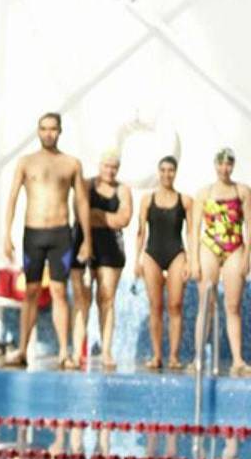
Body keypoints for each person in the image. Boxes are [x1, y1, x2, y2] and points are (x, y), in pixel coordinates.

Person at [2, 112, 93, 368]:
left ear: (60, 131)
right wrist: (6, 234)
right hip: (33, 233)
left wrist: (87, 240)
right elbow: (12, 198)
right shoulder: (26, 162)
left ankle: (64, 352)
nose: (48, 133)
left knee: (59, 292)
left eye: (53, 129)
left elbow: (82, 202)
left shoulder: (71, 163)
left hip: (59, 233)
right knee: (30, 291)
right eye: (43, 128)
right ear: (38, 131)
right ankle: (22, 350)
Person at [69, 150, 132, 371]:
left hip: (110, 249)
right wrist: (106, 218)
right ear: (99, 165)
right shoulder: (86, 185)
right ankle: (77, 352)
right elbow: (79, 214)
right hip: (82, 244)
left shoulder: (123, 190)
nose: (110, 171)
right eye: (107, 166)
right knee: (81, 300)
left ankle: (106, 351)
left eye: (114, 167)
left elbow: (124, 219)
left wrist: (94, 214)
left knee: (106, 300)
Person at [192, 148, 250, 376]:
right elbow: (195, 228)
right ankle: (198, 357)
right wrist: (194, 259)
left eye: (228, 164)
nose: (224, 168)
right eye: (221, 164)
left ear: (232, 166)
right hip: (210, 246)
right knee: (206, 304)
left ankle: (237, 359)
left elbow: (249, 225)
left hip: (234, 247)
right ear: (215, 165)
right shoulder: (204, 193)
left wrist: (247, 256)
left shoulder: (242, 191)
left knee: (233, 306)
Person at [136, 156, 192, 370]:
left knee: (175, 305)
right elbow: (141, 232)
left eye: (171, 170)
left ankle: (174, 357)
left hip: (176, 253)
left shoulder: (185, 200)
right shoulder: (147, 200)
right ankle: (157, 355)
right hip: (152, 255)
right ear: (158, 172)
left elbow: (190, 233)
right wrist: (137, 259)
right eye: (163, 170)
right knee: (155, 306)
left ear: (175, 173)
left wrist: (191, 261)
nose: (167, 174)